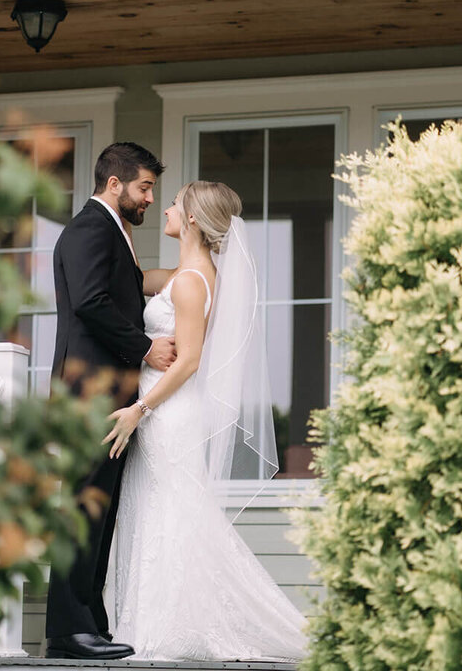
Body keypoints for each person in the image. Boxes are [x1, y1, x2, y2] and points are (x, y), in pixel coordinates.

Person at [103, 180, 308, 661]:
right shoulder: (185, 274)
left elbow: (190, 360)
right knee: (162, 512)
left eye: (174, 203)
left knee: (170, 514)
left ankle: (161, 629)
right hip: (162, 411)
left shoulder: (193, 283)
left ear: (192, 218)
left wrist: (139, 409)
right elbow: (137, 277)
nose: (167, 209)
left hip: (166, 414)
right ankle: (146, 624)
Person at [46, 142, 177, 660]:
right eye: (144, 187)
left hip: (108, 395)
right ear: (115, 183)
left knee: (99, 510)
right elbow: (90, 301)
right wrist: (145, 347)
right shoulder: (89, 229)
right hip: (88, 393)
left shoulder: (113, 232)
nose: (148, 198)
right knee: (83, 507)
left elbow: (118, 291)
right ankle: (67, 630)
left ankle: (89, 623)